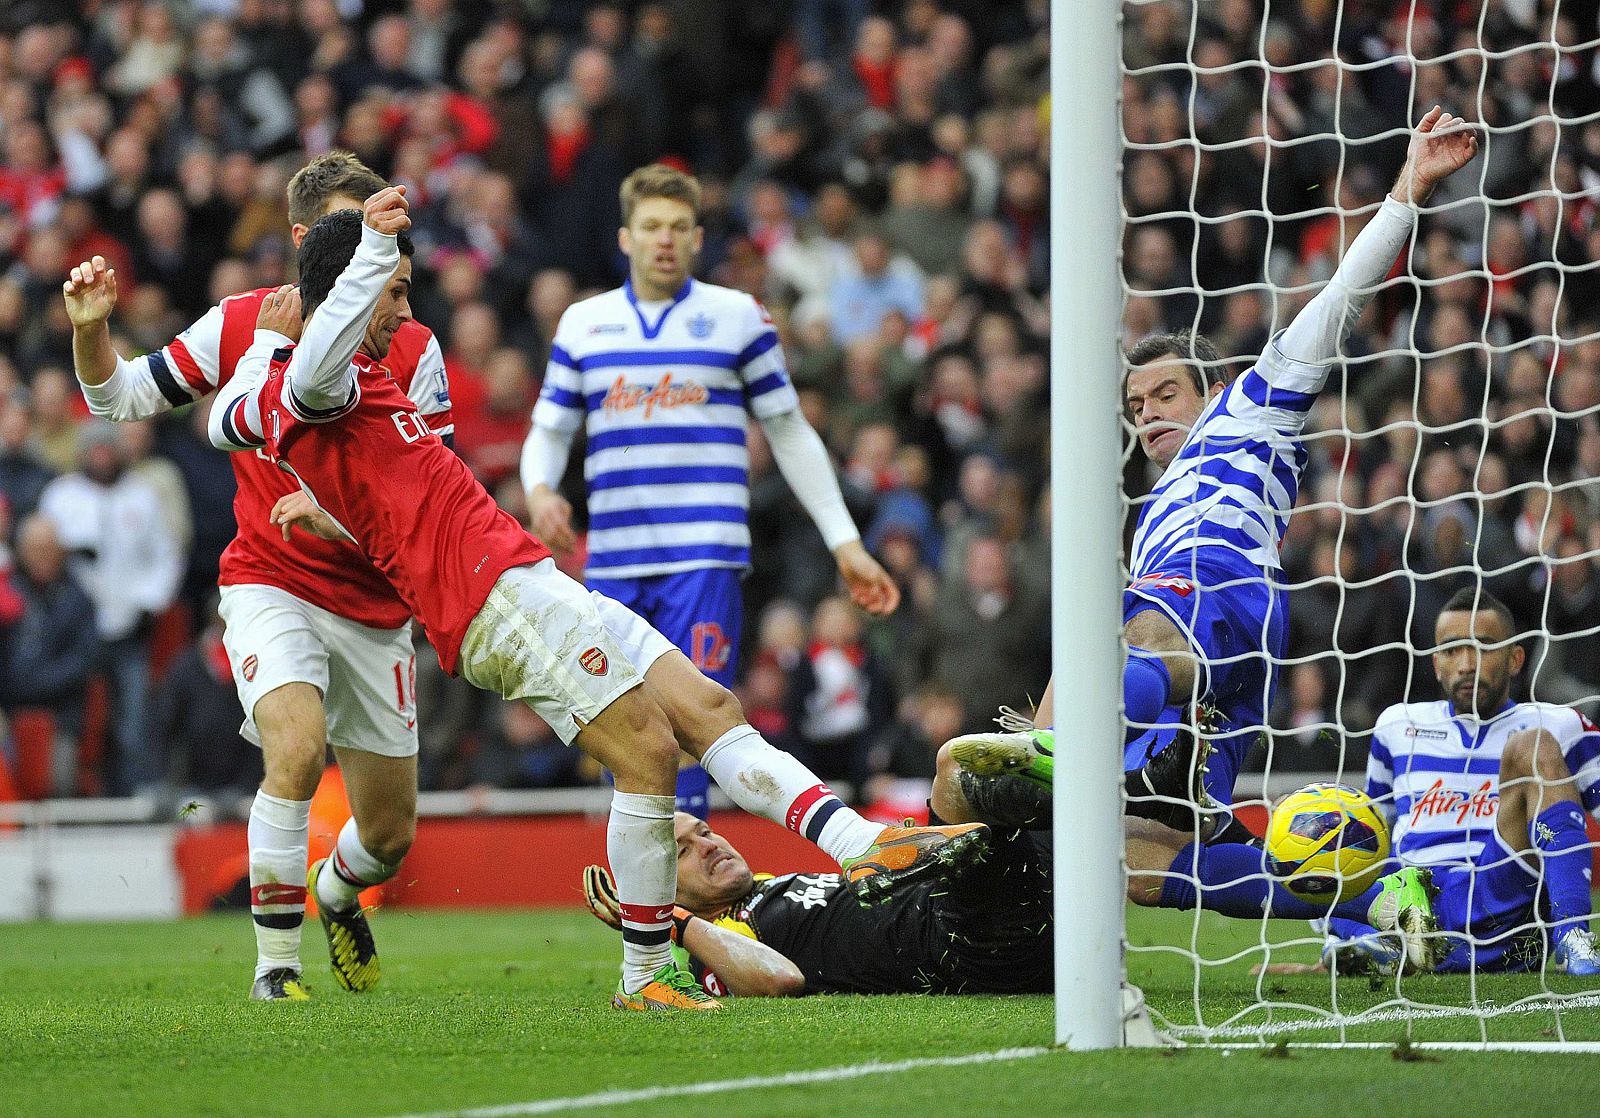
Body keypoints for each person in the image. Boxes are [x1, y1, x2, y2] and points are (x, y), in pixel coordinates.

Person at [209, 188, 987, 1010]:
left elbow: (314, 452)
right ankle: (646, 976)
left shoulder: (356, 373)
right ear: (354, 293)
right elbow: (241, 412)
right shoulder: (318, 378)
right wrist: (361, 249)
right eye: (393, 293)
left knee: (706, 706)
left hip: (527, 576)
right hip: (490, 603)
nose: (407, 312)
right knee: (647, 752)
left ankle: (861, 843)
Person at [943, 108, 1480, 961]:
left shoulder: (1252, 407)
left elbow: (1340, 300)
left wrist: (1408, 194)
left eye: (1164, 396)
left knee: (1102, 639)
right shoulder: (1157, 501)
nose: (1148, 415)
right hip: (1225, 661)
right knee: (1140, 857)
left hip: (1213, 588)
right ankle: (1380, 896)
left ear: (1213, 388)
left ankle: (1054, 745)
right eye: (1136, 407)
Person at [62, 151, 449, 1001]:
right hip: (268, 580)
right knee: (298, 749)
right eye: (360, 227)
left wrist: (341, 517)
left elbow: (436, 502)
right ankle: (277, 971)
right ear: (309, 239)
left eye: (386, 228)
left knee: (387, 833)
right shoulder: (241, 324)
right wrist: (92, 330)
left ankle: (338, 890)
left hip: (375, 608)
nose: (381, 246)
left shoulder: (413, 344)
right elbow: (122, 399)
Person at [520, 163, 900, 818]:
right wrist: (538, 488)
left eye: (677, 227)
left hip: (704, 556)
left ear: (697, 240)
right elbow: (548, 429)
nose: (664, 239)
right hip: (614, 560)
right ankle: (654, 897)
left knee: (697, 722)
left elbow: (789, 430)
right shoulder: (585, 325)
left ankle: (685, 896)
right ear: (626, 238)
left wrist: (845, 542)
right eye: (651, 227)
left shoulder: (736, 318)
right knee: (625, 727)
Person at [1287, 590, 1599, 976]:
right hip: (1413, 902)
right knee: (1321, 828)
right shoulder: (1397, 726)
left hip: (1500, 899)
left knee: (1531, 745)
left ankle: (1575, 938)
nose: (1466, 664)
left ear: (1516, 659)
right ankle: (1372, 944)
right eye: (1452, 651)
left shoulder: (1560, 725)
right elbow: (1368, 843)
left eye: (1483, 648)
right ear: (1436, 664)